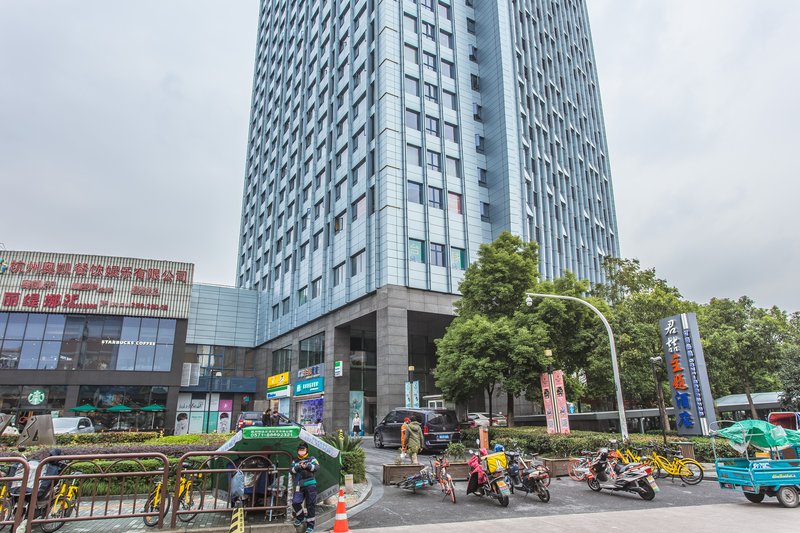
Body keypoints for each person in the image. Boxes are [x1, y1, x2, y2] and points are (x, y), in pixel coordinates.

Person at [291, 443, 320, 533]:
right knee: (295, 502)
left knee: (310, 505)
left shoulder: (312, 459)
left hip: (311, 484)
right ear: (297, 451)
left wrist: (307, 466)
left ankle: (310, 526)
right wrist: (298, 467)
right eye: (300, 450)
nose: (301, 451)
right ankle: (300, 517)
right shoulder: (295, 460)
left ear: (306, 450)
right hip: (299, 485)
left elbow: (317, 467)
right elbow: (291, 471)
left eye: (303, 450)